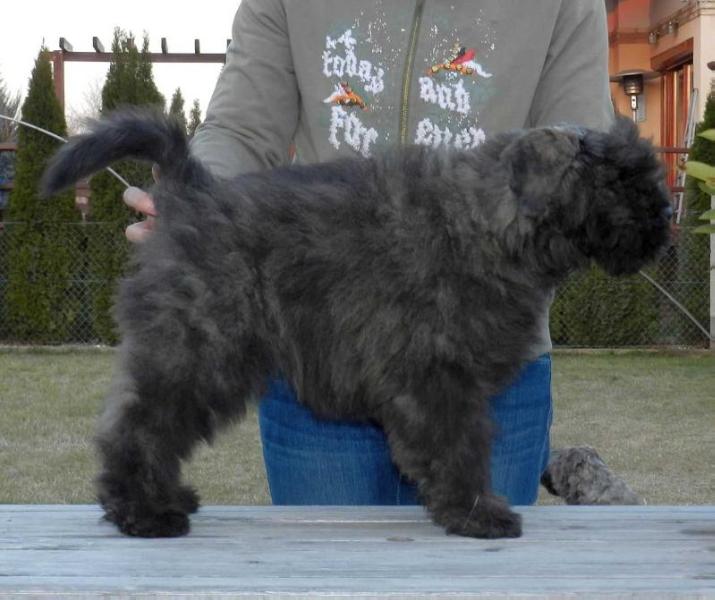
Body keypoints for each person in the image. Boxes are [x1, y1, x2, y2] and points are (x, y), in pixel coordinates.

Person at [123, 0, 614, 507]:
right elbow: (243, 129)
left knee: (480, 579)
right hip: (320, 351)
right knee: (334, 582)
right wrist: (202, 219)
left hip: (488, 373)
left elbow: (580, 155)